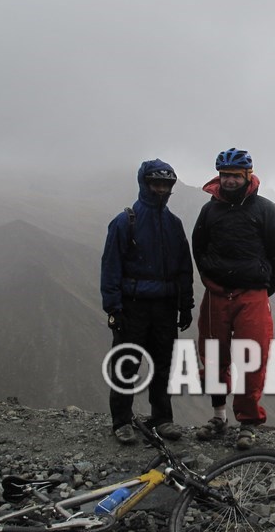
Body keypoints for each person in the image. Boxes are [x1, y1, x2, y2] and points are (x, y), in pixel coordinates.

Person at [192, 148, 275, 450]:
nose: (229, 180)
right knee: (212, 356)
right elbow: (199, 247)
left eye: (235, 175)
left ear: (247, 176)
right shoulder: (209, 211)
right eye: (224, 175)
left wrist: (264, 287)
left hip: (252, 295)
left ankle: (247, 423)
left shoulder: (265, 209)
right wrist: (209, 278)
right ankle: (219, 416)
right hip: (216, 294)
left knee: (251, 358)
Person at [101, 159, 194, 445]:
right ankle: (121, 421)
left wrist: (185, 304)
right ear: (145, 183)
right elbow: (111, 267)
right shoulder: (125, 221)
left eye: (166, 184)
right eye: (156, 183)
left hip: (165, 307)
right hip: (133, 306)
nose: (161, 189)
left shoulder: (174, 224)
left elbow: (183, 267)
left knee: (163, 365)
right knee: (127, 364)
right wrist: (113, 308)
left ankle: (162, 419)